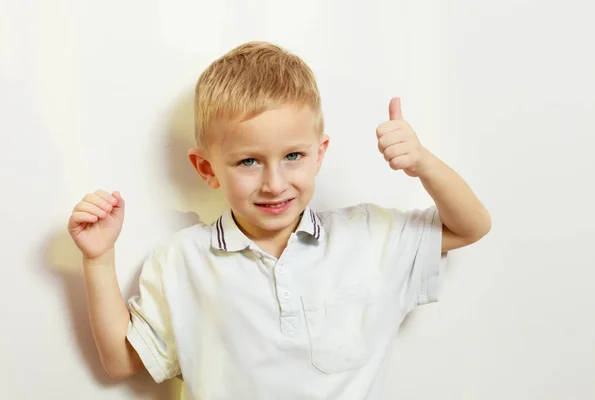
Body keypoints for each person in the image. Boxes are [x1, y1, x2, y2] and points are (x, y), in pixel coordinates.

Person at [67, 41, 491, 399]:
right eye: (248, 161)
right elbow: (121, 362)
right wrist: (98, 261)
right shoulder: (182, 261)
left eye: (293, 156)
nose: (274, 184)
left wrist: (424, 164)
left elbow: (471, 227)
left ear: (319, 153)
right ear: (207, 168)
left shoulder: (365, 235)